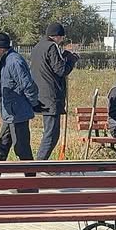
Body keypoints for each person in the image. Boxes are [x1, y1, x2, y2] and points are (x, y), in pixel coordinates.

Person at [0, 33, 42, 161]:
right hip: (10, 114)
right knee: (2, 144)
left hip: (18, 113)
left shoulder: (14, 62)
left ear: (1, 47)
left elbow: (27, 84)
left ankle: (30, 176)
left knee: (21, 148)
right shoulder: (4, 60)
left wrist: (34, 103)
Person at [29, 23, 78, 160]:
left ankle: (39, 162)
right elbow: (61, 70)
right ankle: (40, 163)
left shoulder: (37, 47)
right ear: (58, 36)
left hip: (39, 94)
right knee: (52, 134)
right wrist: (71, 59)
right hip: (51, 95)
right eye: (62, 38)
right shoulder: (52, 46)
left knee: (48, 131)